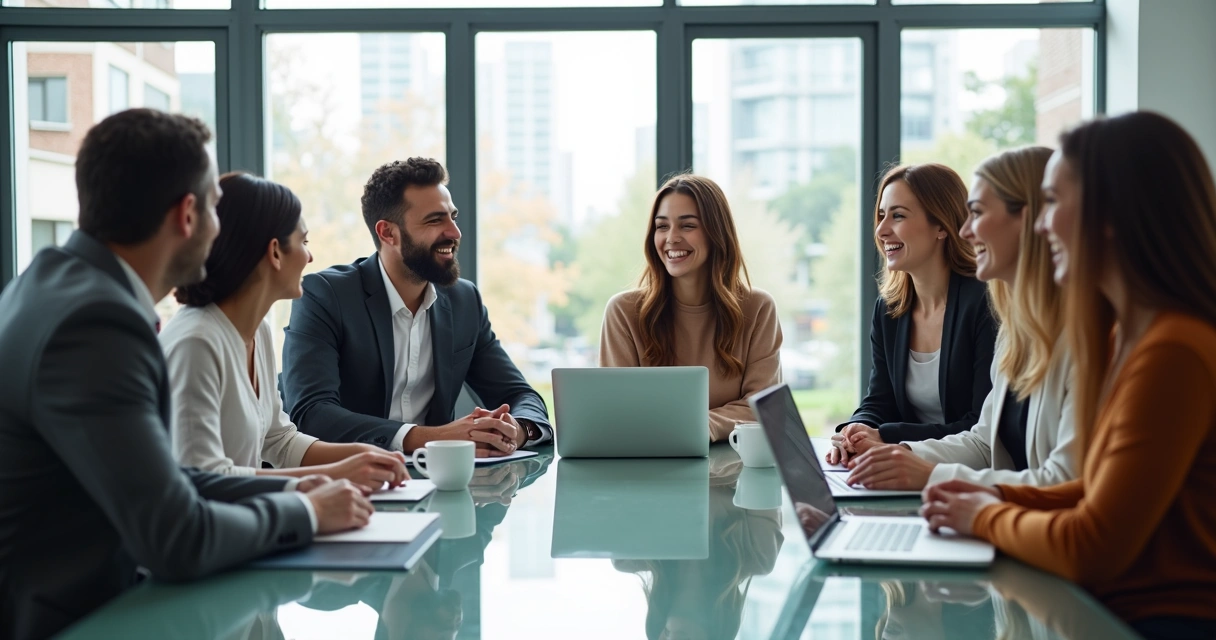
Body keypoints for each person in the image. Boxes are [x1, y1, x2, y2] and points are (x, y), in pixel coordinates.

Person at [0, 109, 369, 640]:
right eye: (216, 210)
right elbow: (176, 538)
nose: (221, 232)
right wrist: (306, 514)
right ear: (187, 215)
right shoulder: (95, 324)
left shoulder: (57, 285)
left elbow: (165, 482)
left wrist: (296, 493)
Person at [921, 112, 1216, 639]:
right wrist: (978, 498)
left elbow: (1091, 545)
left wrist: (982, 514)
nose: (1041, 224)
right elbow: (1091, 493)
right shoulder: (1138, 337)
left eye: (1053, 202)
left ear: (1112, 213)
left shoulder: (1174, 351)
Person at [841, 147, 1078, 491]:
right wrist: (896, 452)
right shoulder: (1016, 331)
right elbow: (985, 441)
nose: (965, 230)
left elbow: (1065, 482)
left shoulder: (1074, 336)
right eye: (881, 216)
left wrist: (924, 471)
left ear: (1032, 220)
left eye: (977, 213)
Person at [281, 157, 551, 457]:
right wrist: (432, 438)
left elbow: (519, 394)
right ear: (388, 233)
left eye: (453, 217)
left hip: (437, 485)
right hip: (346, 483)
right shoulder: (325, 295)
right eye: (435, 220)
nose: (454, 232)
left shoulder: (464, 302)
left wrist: (518, 429)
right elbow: (310, 413)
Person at [161, 172, 409, 494]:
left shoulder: (257, 331)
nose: (310, 257)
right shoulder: (196, 342)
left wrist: (365, 454)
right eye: (304, 242)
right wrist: (331, 476)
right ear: (275, 252)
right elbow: (202, 477)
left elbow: (278, 439)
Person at [829, 163, 996, 463]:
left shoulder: (985, 303)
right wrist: (858, 429)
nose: (881, 230)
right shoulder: (889, 309)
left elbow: (980, 425)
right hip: (904, 468)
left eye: (898, 215)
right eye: (881, 216)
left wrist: (888, 436)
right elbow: (880, 399)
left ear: (942, 226)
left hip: (964, 472)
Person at [599, 174, 782, 442]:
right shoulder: (623, 313)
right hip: (650, 468)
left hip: (735, 471)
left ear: (716, 233)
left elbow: (763, 409)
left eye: (687, 226)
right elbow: (616, 412)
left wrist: (699, 425)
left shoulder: (758, 308)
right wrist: (708, 423)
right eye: (662, 227)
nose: (671, 238)